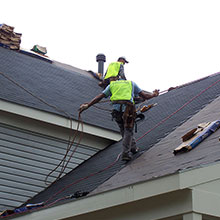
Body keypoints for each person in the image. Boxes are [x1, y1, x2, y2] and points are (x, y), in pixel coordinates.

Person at [79, 77, 159, 161]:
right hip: (128, 110)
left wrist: (88, 105)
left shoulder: (112, 85)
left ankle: (133, 148)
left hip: (117, 111)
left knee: (123, 130)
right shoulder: (131, 83)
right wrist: (154, 94)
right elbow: (145, 96)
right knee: (128, 130)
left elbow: (100, 96)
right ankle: (125, 153)